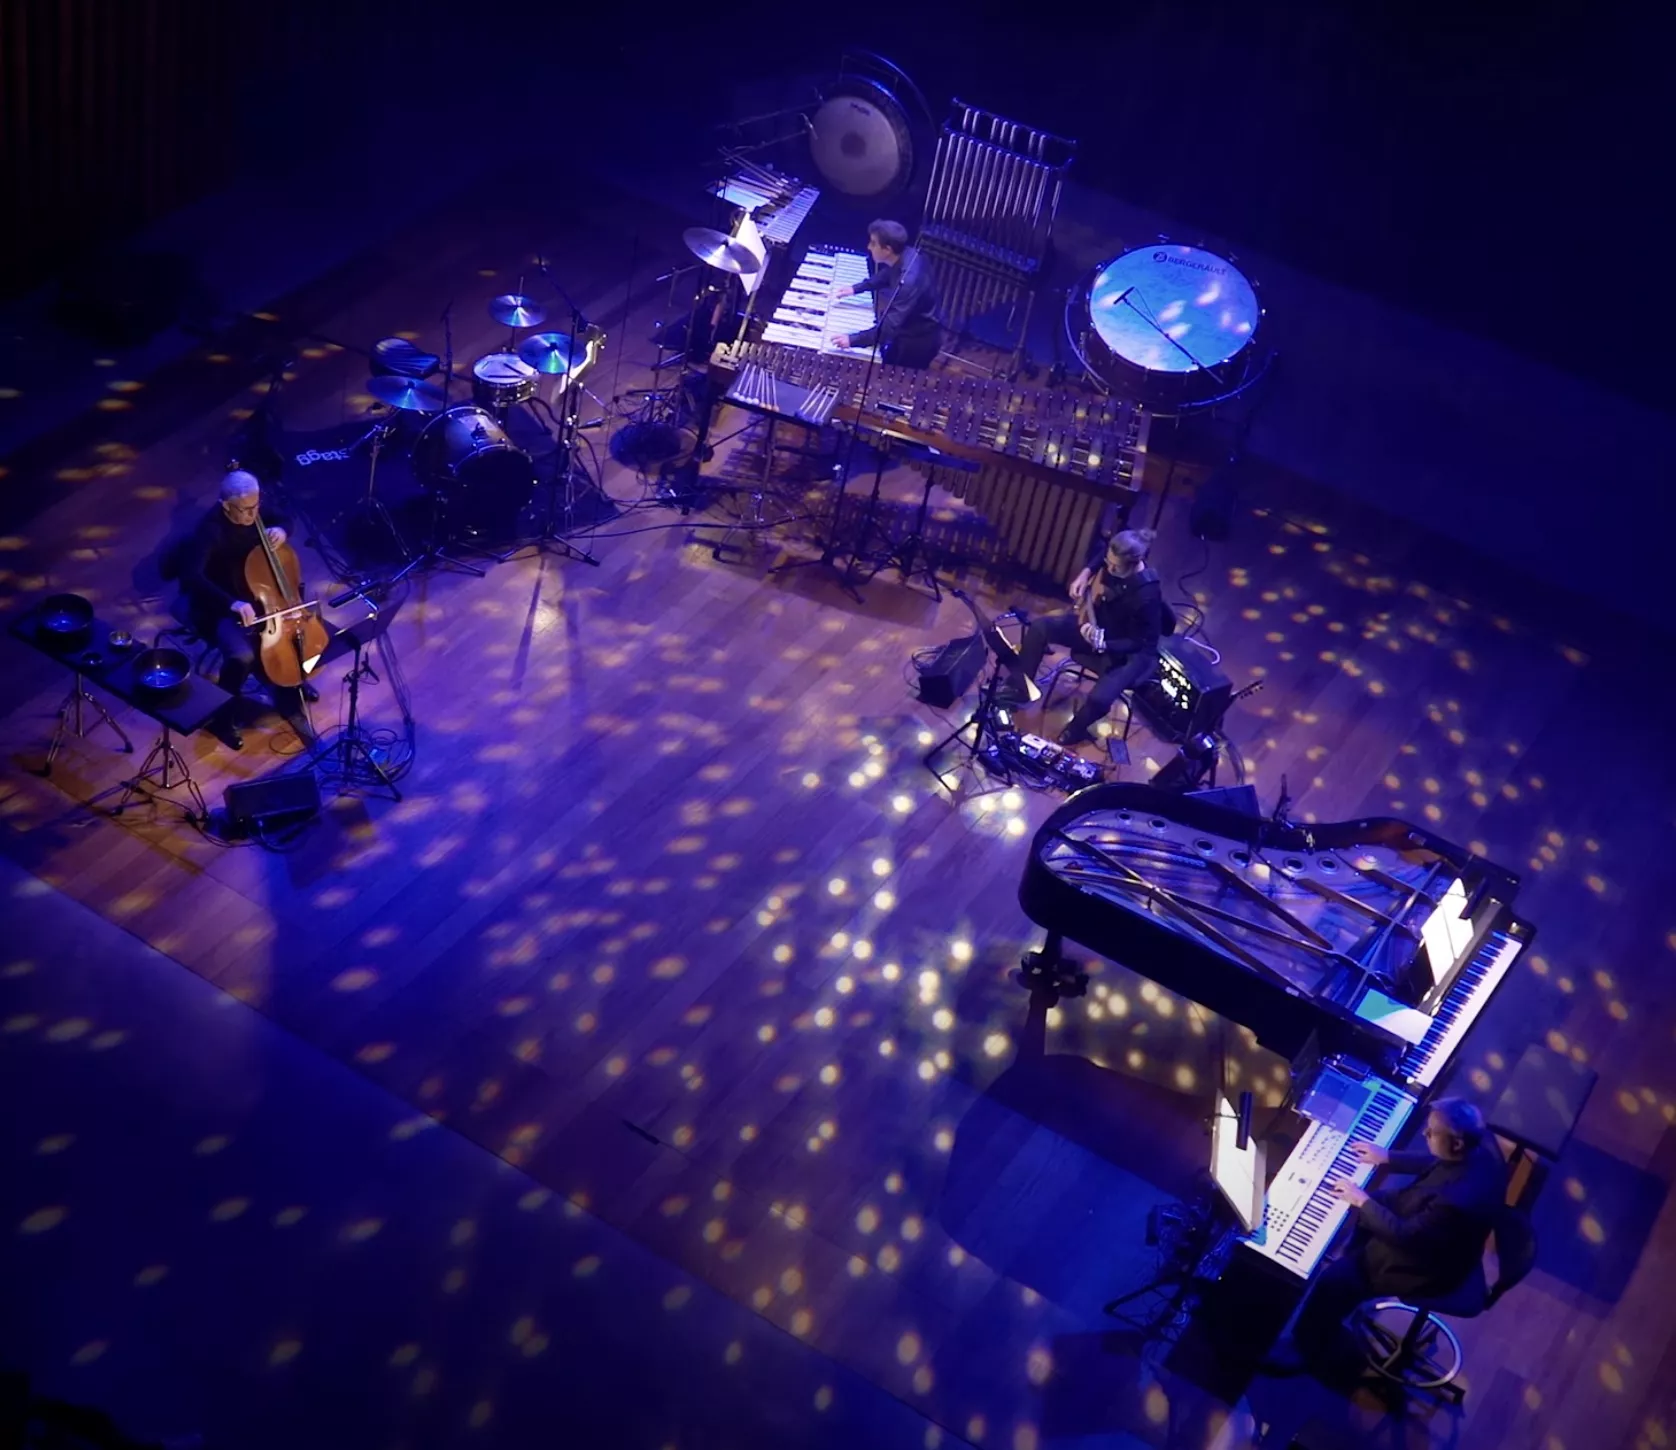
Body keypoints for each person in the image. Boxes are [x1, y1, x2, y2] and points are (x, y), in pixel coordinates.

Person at [1274, 1097, 1507, 1378]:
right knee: (1375, 1205)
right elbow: (1440, 1161)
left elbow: (1405, 1236)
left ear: (1457, 1142)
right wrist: (1387, 1156)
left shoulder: (1457, 1200)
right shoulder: (1482, 1144)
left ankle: (1304, 1347)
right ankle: (1347, 1286)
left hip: (1425, 1265)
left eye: (1431, 1132)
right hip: (1433, 1225)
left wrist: (1362, 1202)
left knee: (1334, 1280)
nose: (1425, 1134)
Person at [179, 470, 317, 750]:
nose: (254, 514)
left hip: (262, 594)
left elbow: (285, 518)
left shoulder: (254, 505)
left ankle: (292, 679)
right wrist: (232, 603)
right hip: (222, 604)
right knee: (242, 656)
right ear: (226, 505)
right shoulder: (210, 531)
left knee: (304, 634)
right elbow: (191, 576)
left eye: (256, 506)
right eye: (245, 510)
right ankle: (221, 718)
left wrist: (282, 530)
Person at [997, 527, 1164, 746]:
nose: (1109, 568)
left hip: (1129, 649)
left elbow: (1142, 642)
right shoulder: (1115, 560)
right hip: (1101, 626)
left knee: (1099, 699)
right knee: (1040, 628)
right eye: (1108, 562)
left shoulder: (1147, 595)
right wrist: (1085, 573)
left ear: (1134, 564)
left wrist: (1105, 644)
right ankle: (1021, 690)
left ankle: (1075, 730)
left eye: (1115, 567)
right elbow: (1103, 554)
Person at [831, 218, 944, 369]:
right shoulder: (908, 253)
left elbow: (888, 328)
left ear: (887, 249)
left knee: (894, 381)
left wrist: (852, 340)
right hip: (905, 332)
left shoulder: (908, 283)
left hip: (917, 343)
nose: (868, 247)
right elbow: (888, 274)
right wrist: (856, 288)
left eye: (873, 243)